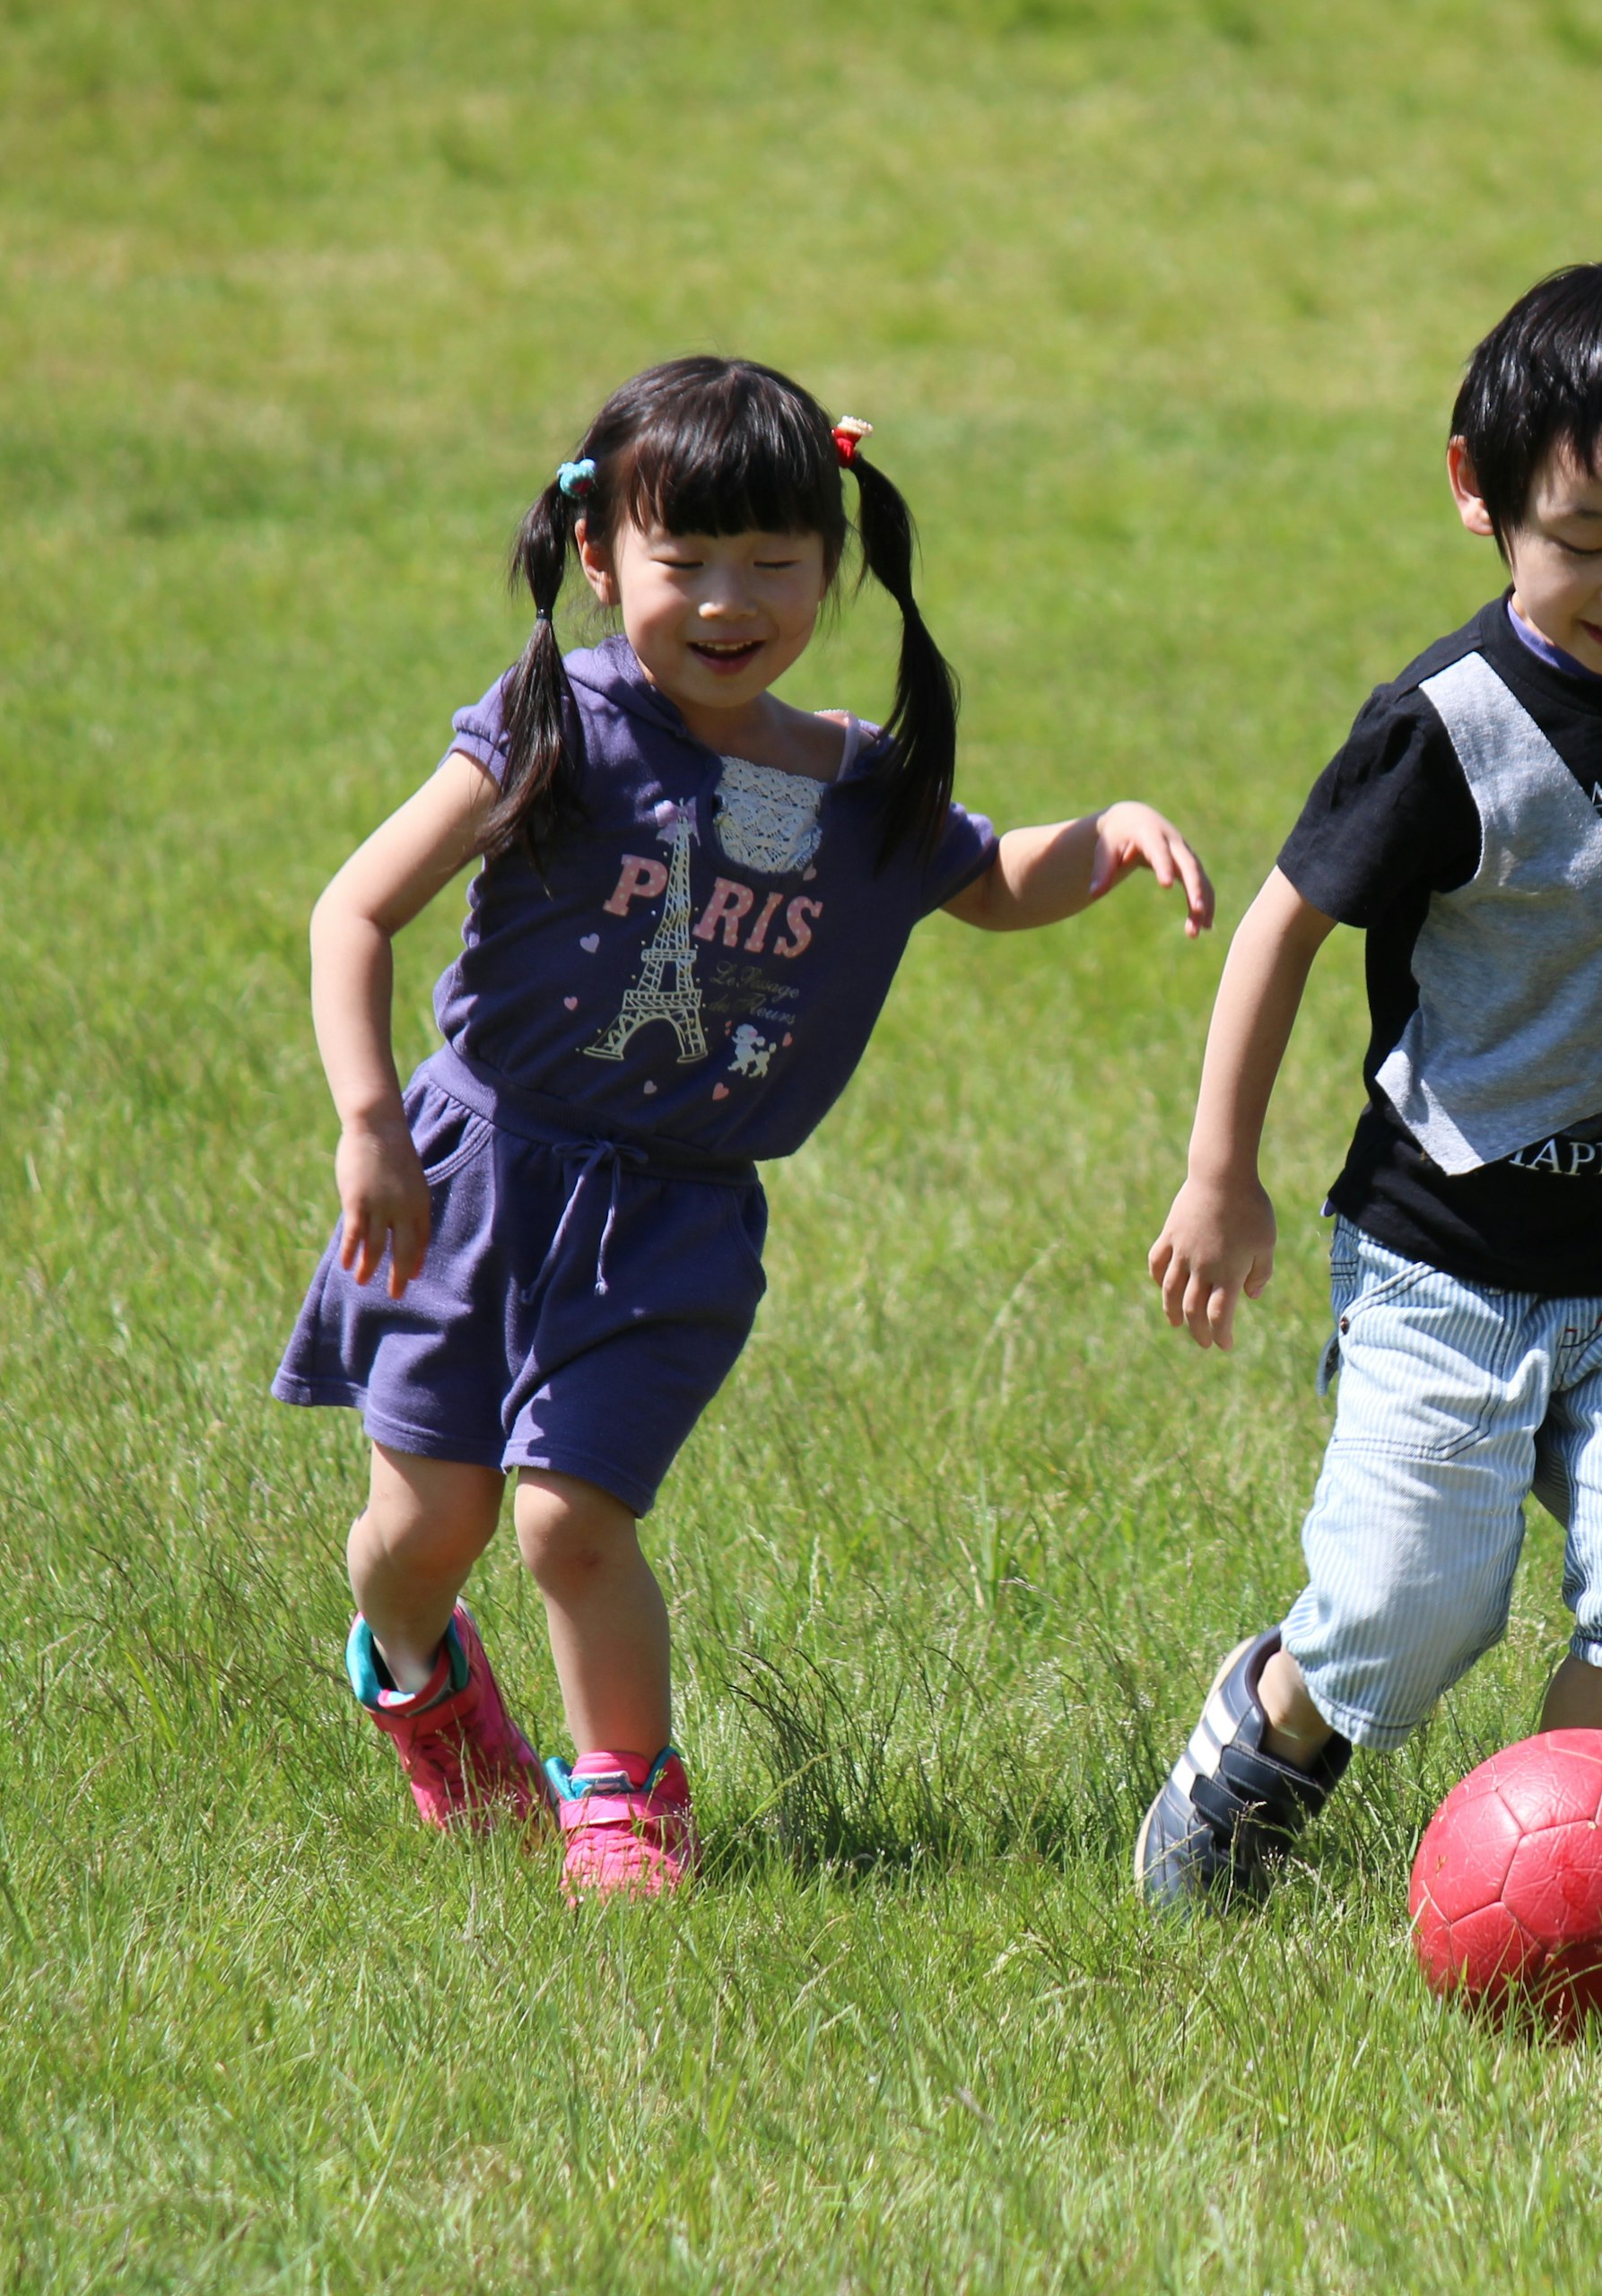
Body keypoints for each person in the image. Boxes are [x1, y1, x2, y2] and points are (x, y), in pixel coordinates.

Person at [276, 356, 1213, 1895]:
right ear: (598, 560)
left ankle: (627, 1802)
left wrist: (1101, 840)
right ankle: (416, 1677)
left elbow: (986, 883)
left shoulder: (854, 785)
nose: (728, 600)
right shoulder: (557, 721)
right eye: (684, 562)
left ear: (830, 567)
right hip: (472, 1176)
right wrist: (369, 1119)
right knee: (420, 1532)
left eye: (773, 563)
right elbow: (355, 910)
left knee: (571, 1518)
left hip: (676, 1214)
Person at [1136, 262, 1602, 1902]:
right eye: (1583, 542)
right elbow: (1280, 928)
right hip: (1448, 1259)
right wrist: (1224, 1171)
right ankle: (1264, 1741)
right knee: (1407, 1612)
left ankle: (1541, 1884)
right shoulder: (1443, 726)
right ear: (1476, 495)